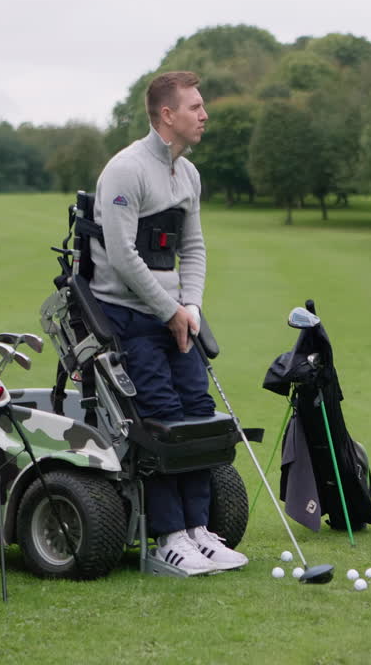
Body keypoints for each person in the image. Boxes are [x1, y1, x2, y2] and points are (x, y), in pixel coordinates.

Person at [90, 71, 247, 576]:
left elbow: (193, 248)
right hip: (127, 317)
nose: (204, 115)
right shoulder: (126, 171)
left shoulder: (189, 174)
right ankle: (169, 537)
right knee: (159, 420)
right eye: (195, 107)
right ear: (166, 115)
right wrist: (169, 309)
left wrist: (192, 307)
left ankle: (200, 531)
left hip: (177, 316)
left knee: (198, 414)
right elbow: (120, 257)